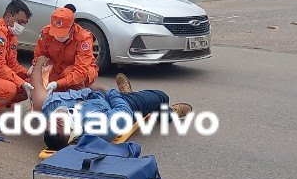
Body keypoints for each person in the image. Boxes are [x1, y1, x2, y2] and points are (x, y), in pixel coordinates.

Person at [28, 62, 191, 150]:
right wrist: (108, 91)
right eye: (60, 123)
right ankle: (168, 114)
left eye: (51, 123)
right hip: (125, 105)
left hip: (100, 97)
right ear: (72, 131)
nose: (56, 118)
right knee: (162, 97)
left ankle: (126, 92)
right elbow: (123, 113)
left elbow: (73, 94)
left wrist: (90, 91)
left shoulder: (51, 108)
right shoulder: (98, 129)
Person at [34, 5, 98, 92]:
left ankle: (80, 93)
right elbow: (39, 56)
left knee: (69, 75)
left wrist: (58, 83)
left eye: (62, 33)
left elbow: (80, 71)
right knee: (41, 84)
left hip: (80, 70)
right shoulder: (46, 32)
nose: (58, 36)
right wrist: (37, 69)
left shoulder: (83, 38)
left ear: (72, 27)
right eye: (56, 32)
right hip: (56, 68)